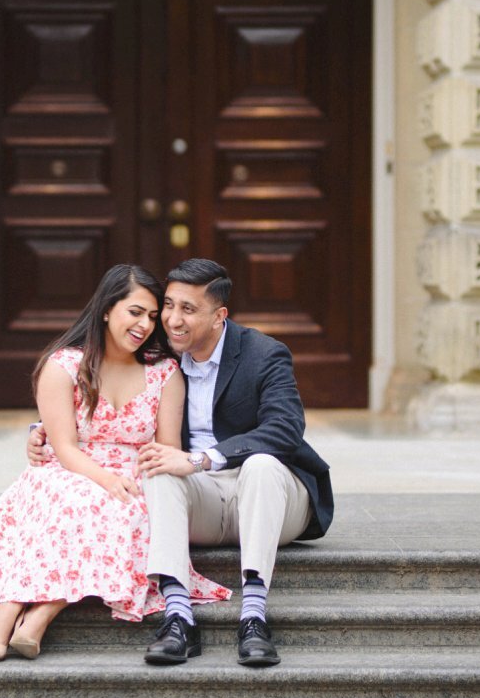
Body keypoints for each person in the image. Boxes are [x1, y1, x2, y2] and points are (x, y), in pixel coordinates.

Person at [0, 264, 228, 660]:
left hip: (134, 475)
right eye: (135, 312)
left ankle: (36, 617)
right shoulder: (64, 365)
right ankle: (8, 611)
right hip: (69, 469)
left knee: (125, 511)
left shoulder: (164, 371)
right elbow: (65, 447)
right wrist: (103, 478)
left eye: (152, 316)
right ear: (107, 309)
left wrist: (134, 477)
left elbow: (166, 446)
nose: (145, 324)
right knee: (79, 502)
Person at [29, 257, 332, 667]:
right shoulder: (159, 357)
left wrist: (201, 458)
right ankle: (178, 618)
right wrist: (44, 427)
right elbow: (111, 402)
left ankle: (254, 618)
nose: (171, 319)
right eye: (167, 306)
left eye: (187, 310)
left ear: (218, 316)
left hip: (272, 498)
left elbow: (285, 430)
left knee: (260, 464)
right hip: (202, 501)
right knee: (158, 468)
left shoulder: (264, 354)